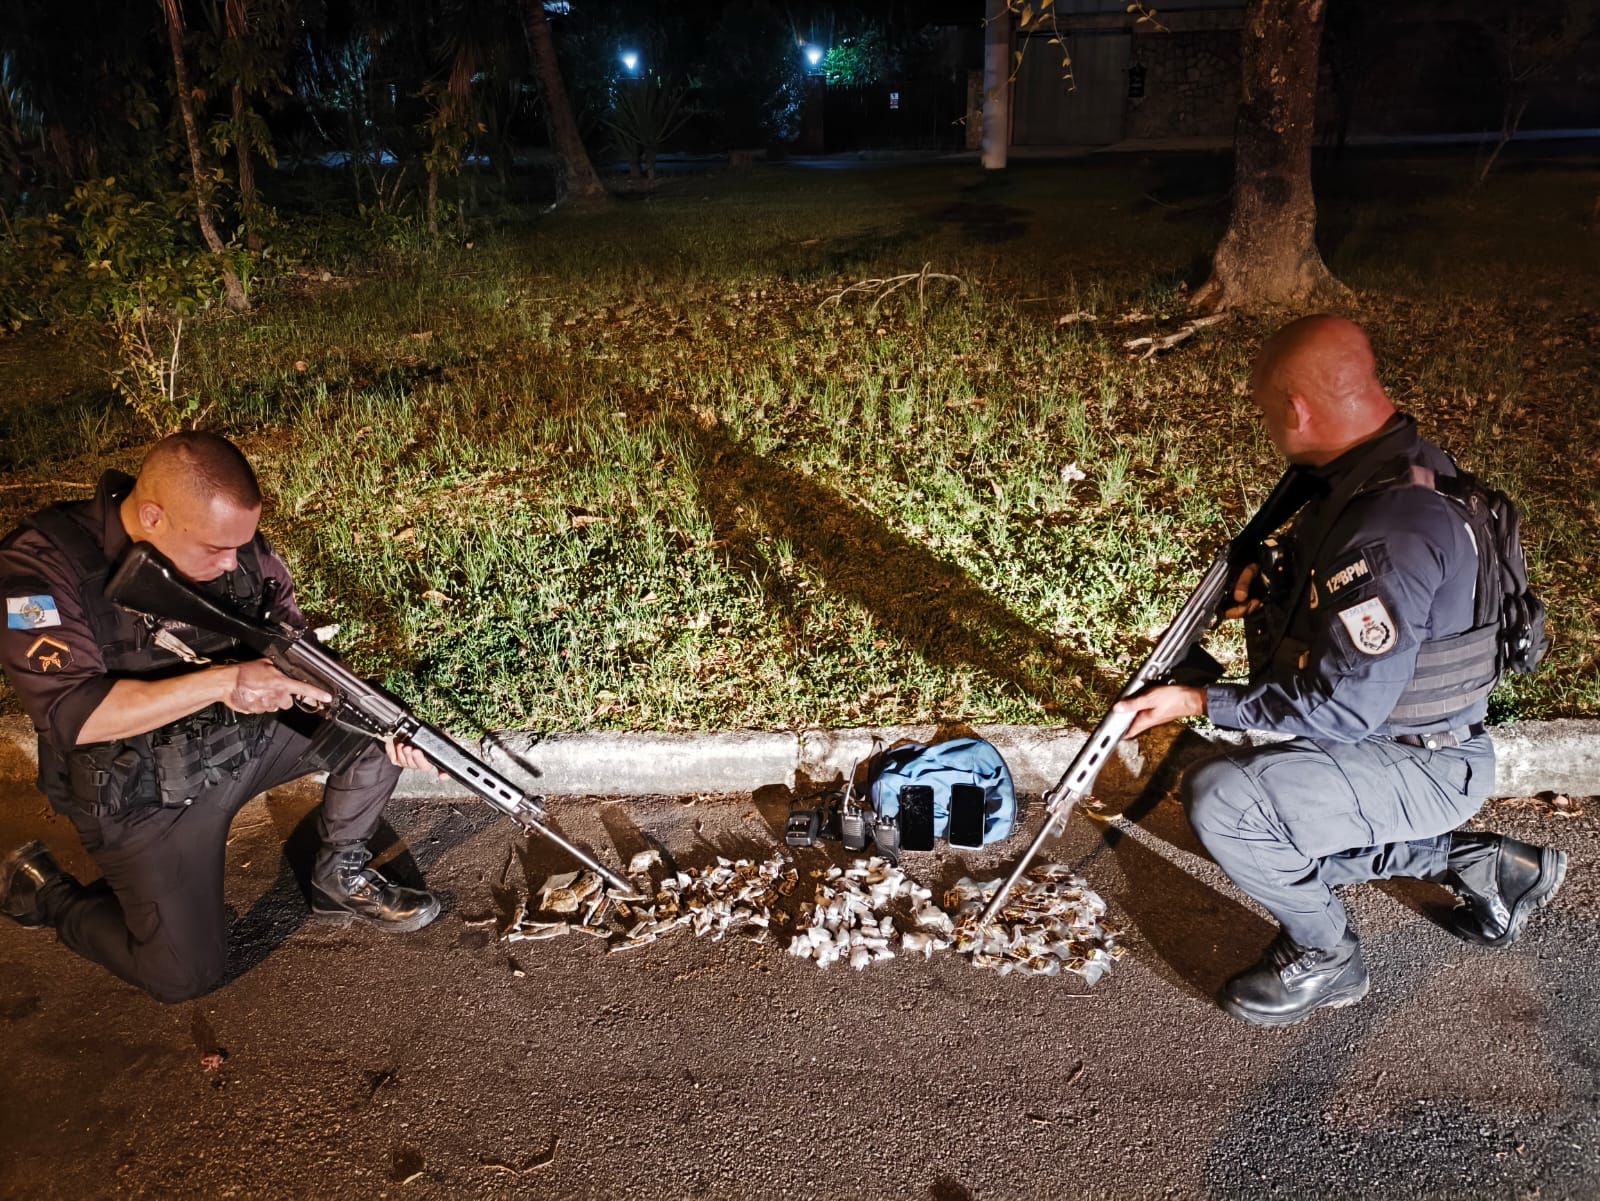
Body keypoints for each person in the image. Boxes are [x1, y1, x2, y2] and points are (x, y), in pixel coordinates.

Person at [1114, 315, 1567, 1028]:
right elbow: (1356, 623)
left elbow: (1341, 708)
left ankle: (1326, 957)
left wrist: (1200, 697)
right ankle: (1482, 864)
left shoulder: (1388, 531)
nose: (1268, 425)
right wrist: (1268, 593)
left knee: (1225, 803)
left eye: (1267, 411)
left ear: (1296, 409)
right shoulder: (1393, 465)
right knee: (1258, 810)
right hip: (1412, 737)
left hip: (1418, 760)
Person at [0, 432, 440, 1003]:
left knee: (370, 732)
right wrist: (226, 681)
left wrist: (378, 719)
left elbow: (295, 641)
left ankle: (337, 878)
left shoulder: (235, 547)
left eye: (243, 543)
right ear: (153, 516)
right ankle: (44, 893)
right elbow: (73, 716)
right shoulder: (37, 571)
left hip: (241, 745)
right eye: (216, 548)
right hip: (143, 790)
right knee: (182, 976)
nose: (234, 561)